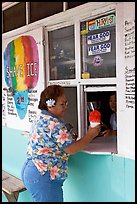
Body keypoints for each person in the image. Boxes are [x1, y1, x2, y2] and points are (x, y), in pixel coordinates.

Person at [21, 85, 100, 202]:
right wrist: (91, 134)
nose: (65, 107)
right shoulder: (54, 123)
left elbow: (52, 142)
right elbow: (71, 149)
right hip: (43, 177)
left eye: (66, 103)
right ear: (50, 105)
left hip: (33, 170)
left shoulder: (41, 117)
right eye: (62, 104)